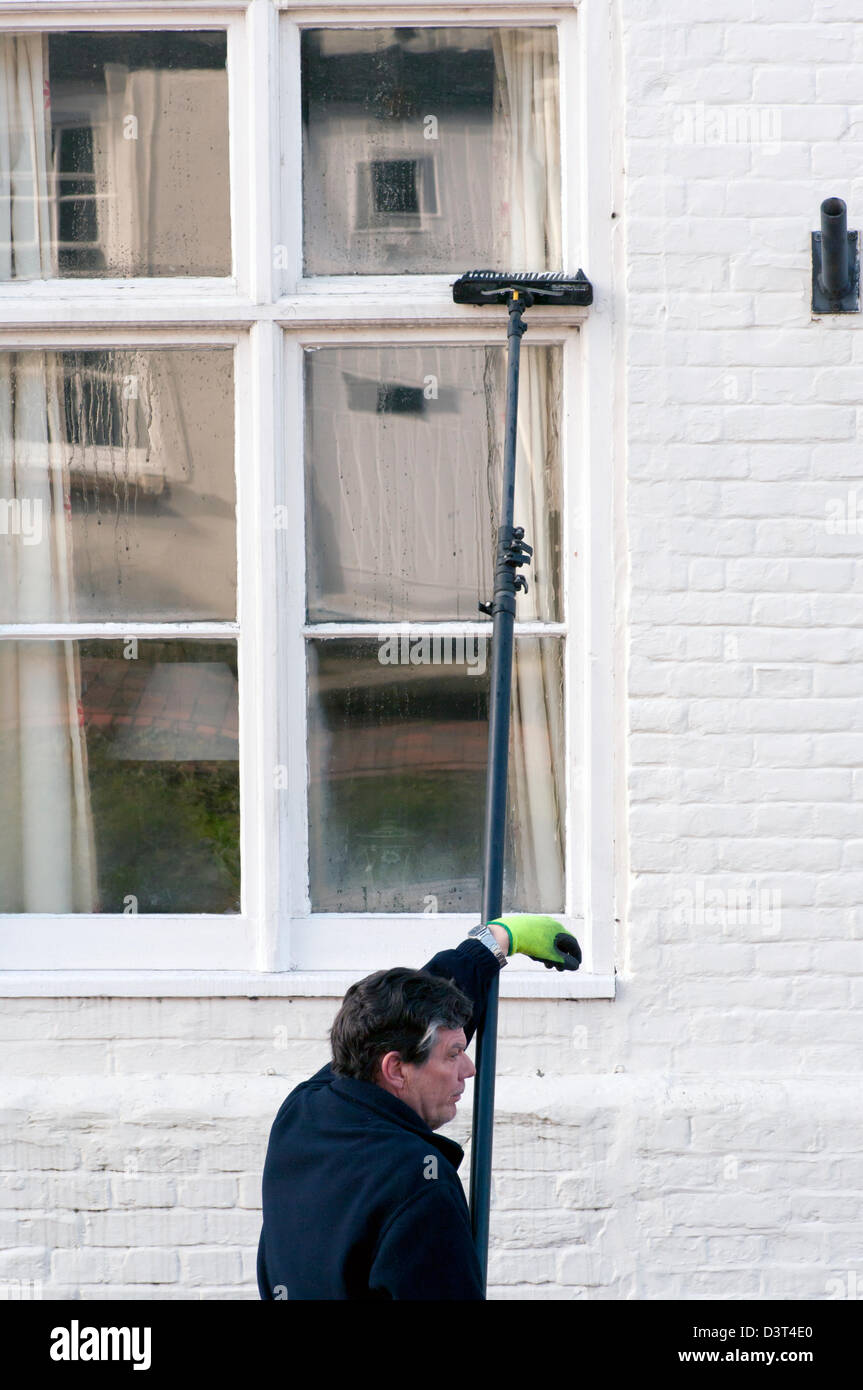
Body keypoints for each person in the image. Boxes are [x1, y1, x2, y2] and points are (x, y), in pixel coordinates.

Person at [256, 914, 581, 1300]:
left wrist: (494, 943)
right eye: (454, 1054)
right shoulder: (420, 1189)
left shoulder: (303, 1112)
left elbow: (388, 1020)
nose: (470, 1068)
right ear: (395, 1069)